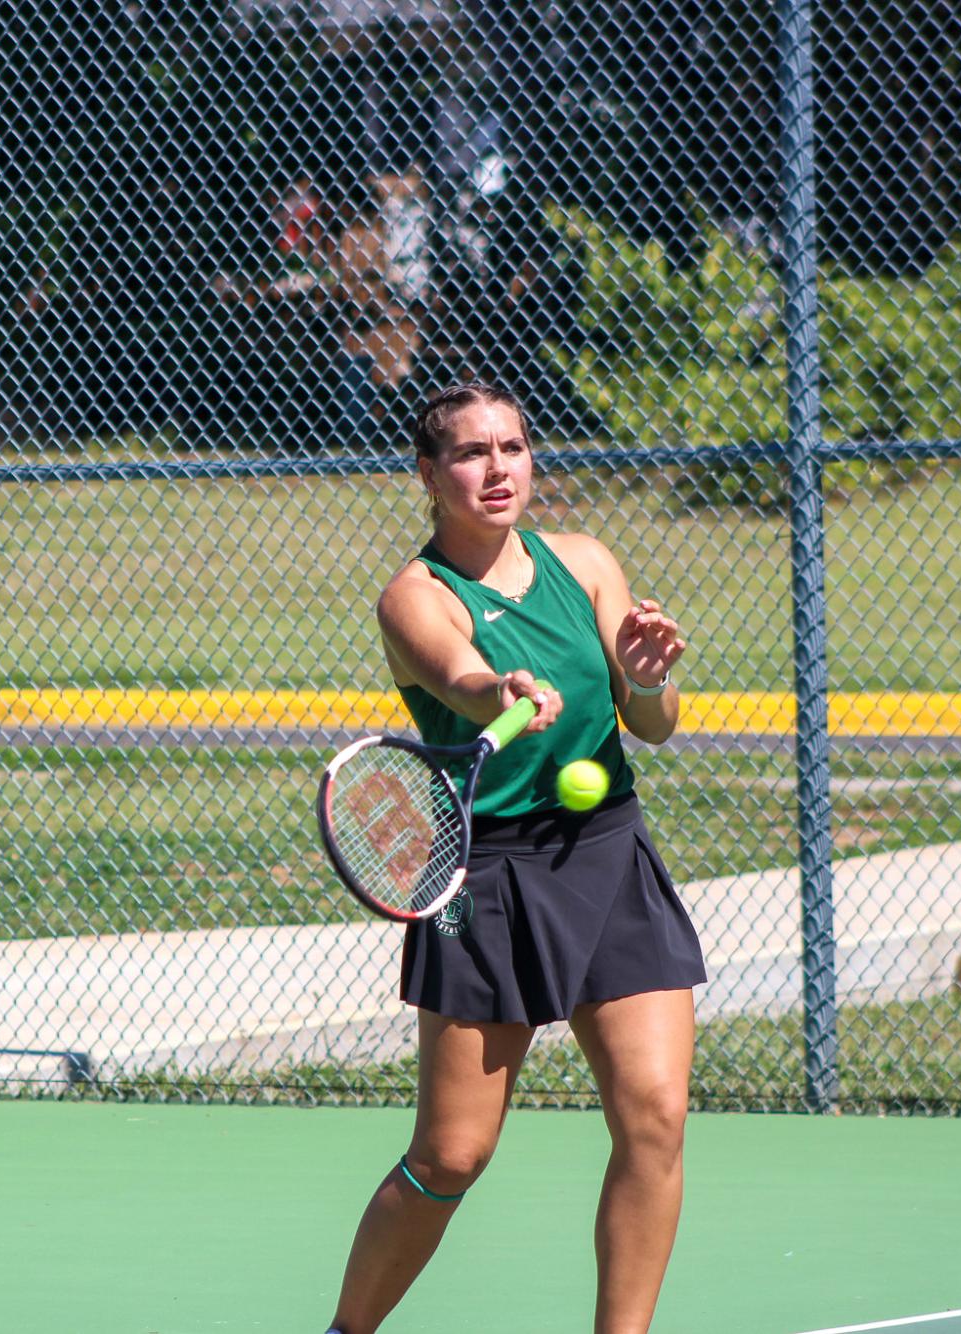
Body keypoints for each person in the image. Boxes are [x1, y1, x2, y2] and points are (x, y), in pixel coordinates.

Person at [324, 383, 705, 1334]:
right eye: (468, 453)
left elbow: (648, 727)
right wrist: (502, 685)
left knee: (655, 1116)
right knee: (452, 1153)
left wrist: (649, 680)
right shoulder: (413, 597)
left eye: (513, 447)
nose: (496, 469)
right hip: (488, 875)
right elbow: (456, 674)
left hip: (608, 852)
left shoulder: (582, 564)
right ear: (427, 473)